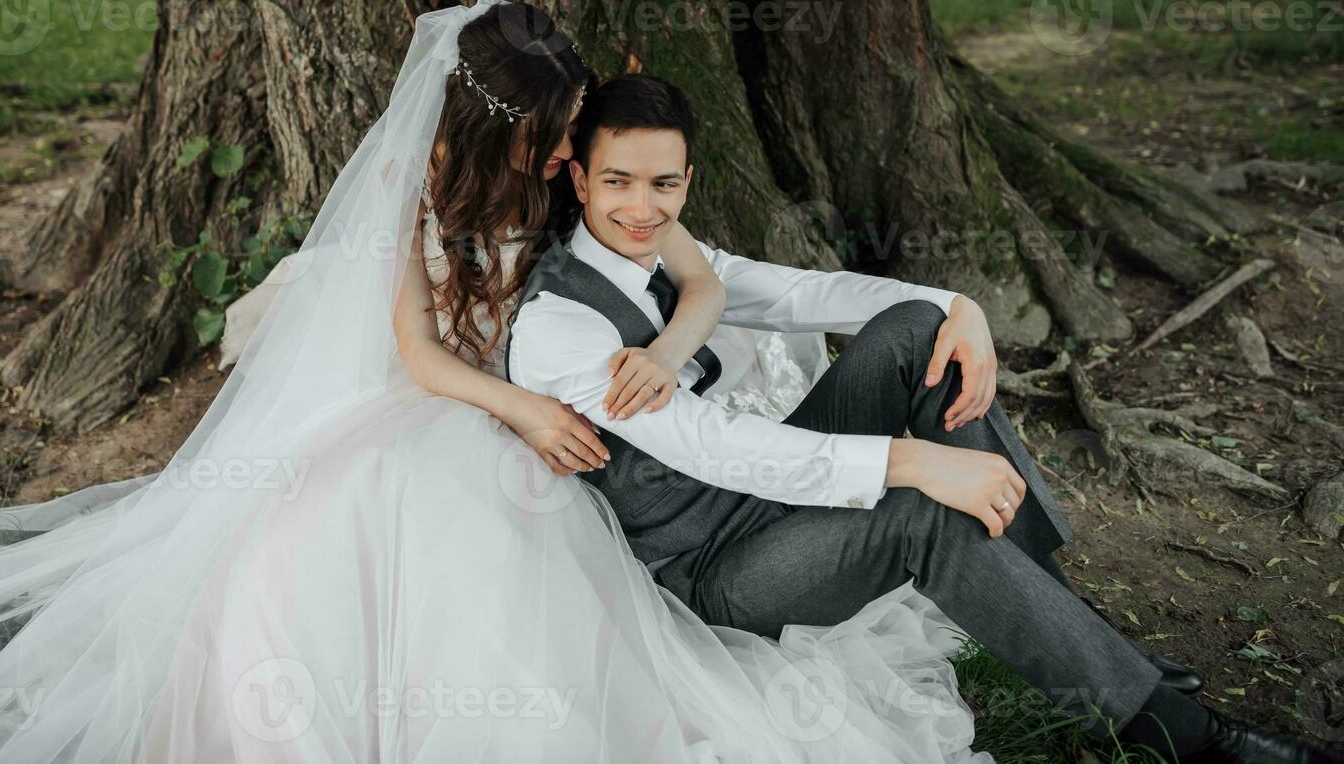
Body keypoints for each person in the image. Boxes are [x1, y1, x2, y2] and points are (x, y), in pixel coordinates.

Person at [0, 0, 988, 763]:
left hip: (545, 383)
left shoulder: (571, 185)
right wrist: (517, 404)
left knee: (543, 533)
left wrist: (647, 352)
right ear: (493, 129)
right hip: (446, 401)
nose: (567, 162)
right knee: (408, 522)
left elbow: (705, 281)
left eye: (571, 143)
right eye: (553, 144)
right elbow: (417, 353)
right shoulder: (419, 188)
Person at [507, 72, 1342, 764]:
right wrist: (910, 460)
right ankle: (1185, 739)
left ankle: (1075, 631)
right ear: (579, 180)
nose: (642, 207)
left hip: (760, 503)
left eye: (664, 183)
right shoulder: (562, 324)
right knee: (918, 514)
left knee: (915, 334)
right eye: (616, 182)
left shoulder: (667, 254)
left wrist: (954, 302)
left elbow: (803, 292)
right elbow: (712, 446)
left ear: (689, 180)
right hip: (706, 573)